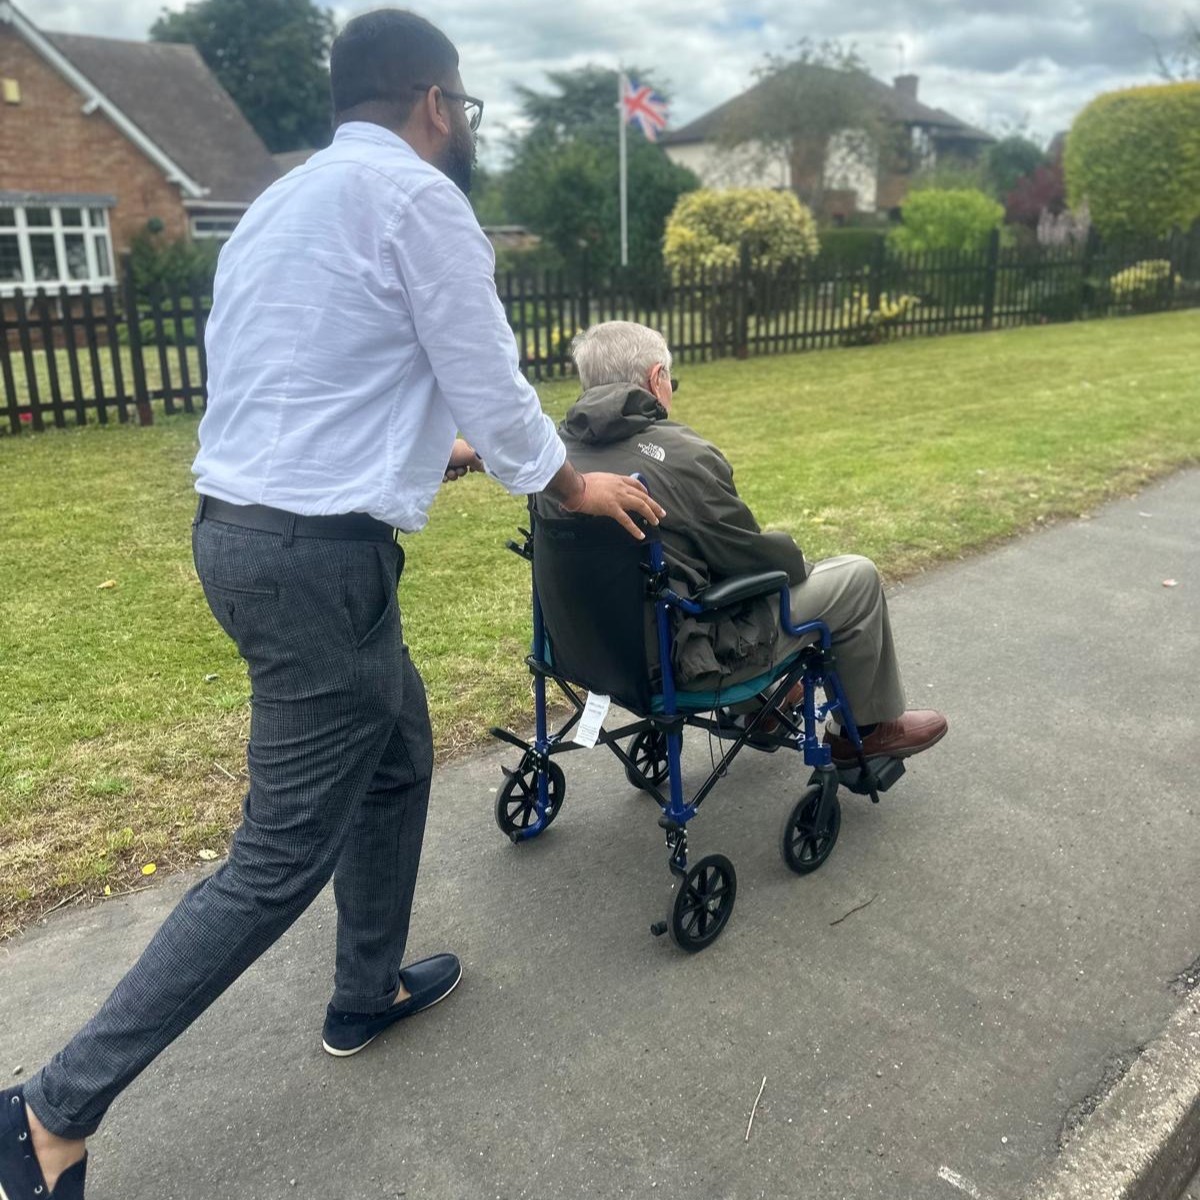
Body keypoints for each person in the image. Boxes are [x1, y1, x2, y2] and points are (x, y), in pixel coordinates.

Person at [0, 13, 664, 1199]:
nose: (462, 127)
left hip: (244, 536)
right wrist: (570, 483)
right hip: (319, 567)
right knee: (273, 858)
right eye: (462, 107)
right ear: (432, 103)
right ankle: (50, 1114)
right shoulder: (418, 201)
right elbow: (499, 383)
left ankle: (366, 988)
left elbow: (313, 380)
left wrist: (428, 458)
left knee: (400, 748)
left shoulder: (280, 206)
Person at [533, 320, 948, 761]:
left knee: (692, 576)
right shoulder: (682, 456)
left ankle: (761, 706)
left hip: (581, 647)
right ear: (657, 379)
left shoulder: (551, 460)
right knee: (854, 578)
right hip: (678, 661)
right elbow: (748, 558)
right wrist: (794, 559)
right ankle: (865, 730)